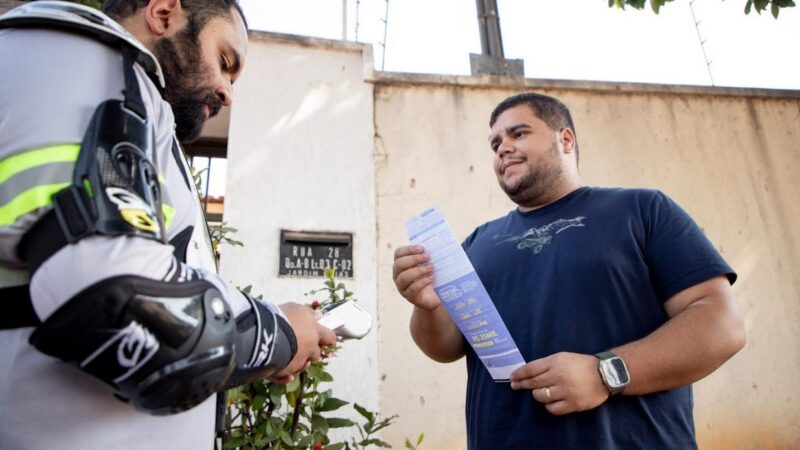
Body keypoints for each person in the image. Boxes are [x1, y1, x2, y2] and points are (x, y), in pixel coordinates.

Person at [0, 1, 336, 449]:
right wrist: (281, 334)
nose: (227, 92)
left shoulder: (122, 91)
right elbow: (119, 297)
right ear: (164, 12)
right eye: (224, 61)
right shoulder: (87, 61)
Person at [392, 92, 746, 449]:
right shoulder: (477, 243)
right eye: (496, 142)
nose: (502, 148)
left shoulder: (642, 210)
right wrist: (428, 304)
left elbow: (721, 323)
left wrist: (604, 373)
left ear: (565, 139)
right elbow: (445, 346)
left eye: (519, 133)